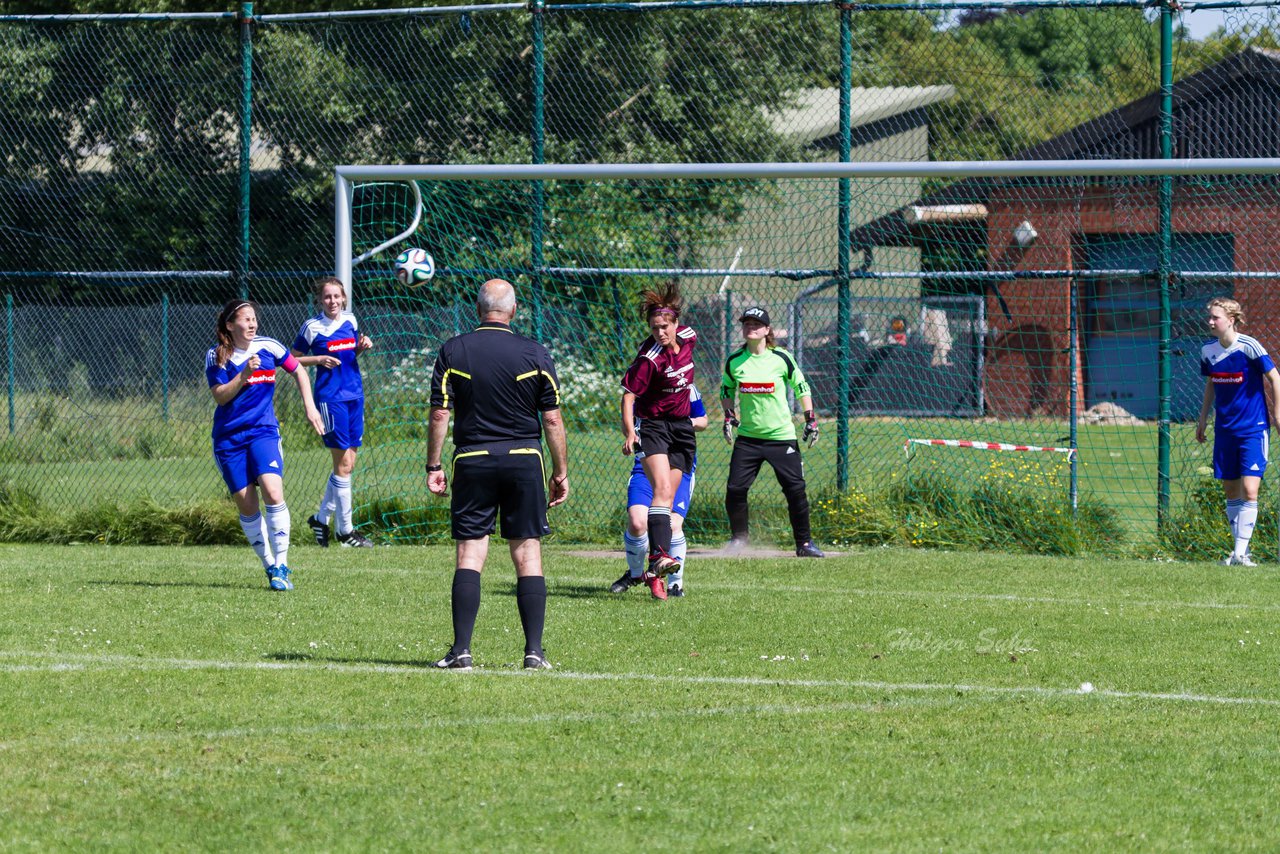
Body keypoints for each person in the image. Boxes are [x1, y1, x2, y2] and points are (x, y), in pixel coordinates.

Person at [426, 279, 569, 670]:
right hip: (525, 460)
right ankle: (534, 653)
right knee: (527, 551)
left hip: (472, 459)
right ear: (514, 310)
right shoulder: (535, 353)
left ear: (478, 309)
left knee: (471, 552)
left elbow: (441, 413)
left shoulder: (453, 350)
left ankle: (462, 652)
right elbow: (552, 419)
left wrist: (434, 465)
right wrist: (560, 471)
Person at [206, 299, 325, 590]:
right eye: (245, 319)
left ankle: (282, 565)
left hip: (264, 432)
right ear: (230, 325)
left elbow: (298, 369)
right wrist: (244, 376)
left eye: (254, 319)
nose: (252, 323)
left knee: (273, 491)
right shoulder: (217, 356)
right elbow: (220, 396)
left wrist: (310, 407)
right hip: (229, 439)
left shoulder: (269, 346)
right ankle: (269, 564)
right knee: (247, 506)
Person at [721, 306, 824, 558]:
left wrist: (810, 419)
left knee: (795, 489)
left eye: (757, 324)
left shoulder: (781, 358)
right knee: (735, 488)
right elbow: (726, 390)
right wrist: (729, 415)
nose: (751, 327)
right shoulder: (735, 360)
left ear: (767, 330)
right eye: (747, 324)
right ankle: (739, 540)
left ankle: (804, 544)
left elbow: (801, 387)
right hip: (748, 439)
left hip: (781, 438)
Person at [620, 283, 699, 593]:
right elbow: (628, 396)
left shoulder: (689, 338)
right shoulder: (649, 358)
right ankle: (659, 557)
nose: (660, 333)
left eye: (664, 326)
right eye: (654, 328)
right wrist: (630, 431)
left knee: (668, 501)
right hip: (654, 427)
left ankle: (659, 566)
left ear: (676, 324)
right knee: (662, 490)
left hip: (682, 428)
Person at [1195, 297, 1280, 567]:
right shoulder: (1208, 351)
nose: (1210, 321)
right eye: (1209, 317)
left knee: (1249, 489)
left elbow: (1275, 377)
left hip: (1253, 429)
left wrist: (1277, 413)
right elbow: (1211, 384)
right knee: (1231, 490)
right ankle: (1238, 552)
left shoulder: (1249, 346)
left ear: (1230, 320)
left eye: (1215, 317)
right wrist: (1202, 419)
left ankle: (1241, 553)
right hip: (1225, 430)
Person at [291, 276, 374, 549]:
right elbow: (290, 360)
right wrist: (317, 359)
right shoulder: (312, 327)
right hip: (330, 400)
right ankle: (345, 532)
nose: (332, 301)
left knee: (348, 464)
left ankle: (320, 518)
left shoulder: (351, 321)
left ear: (344, 298)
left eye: (337, 297)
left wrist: (359, 348)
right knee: (344, 465)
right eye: (327, 297)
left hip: (355, 396)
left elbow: (348, 358)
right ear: (320, 300)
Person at [612, 384, 708, 600]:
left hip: (678, 465)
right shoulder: (640, 388)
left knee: (673, 524)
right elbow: (627, 422)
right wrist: (631, 434)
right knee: (637, 522)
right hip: (646, 464)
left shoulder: (685, 386)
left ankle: (675, 583)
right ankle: (636, 575)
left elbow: (703, 420)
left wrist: (684, 424)